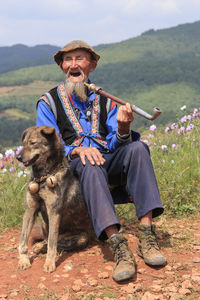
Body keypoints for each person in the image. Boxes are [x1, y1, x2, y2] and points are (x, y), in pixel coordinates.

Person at [36, 40, 167, 282]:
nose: (73, 65)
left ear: (92, 66)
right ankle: (118, 245)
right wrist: (76, 150)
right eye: (68, 60)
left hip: (105, 160)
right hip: (71, 169)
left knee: (137, 148)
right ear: (62, 66)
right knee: (90, 161)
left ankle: (147, 236)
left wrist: (123, 127)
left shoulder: (103, 99)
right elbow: (46, 146)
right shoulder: (49, 103)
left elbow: (117, 145)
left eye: (80, 59)